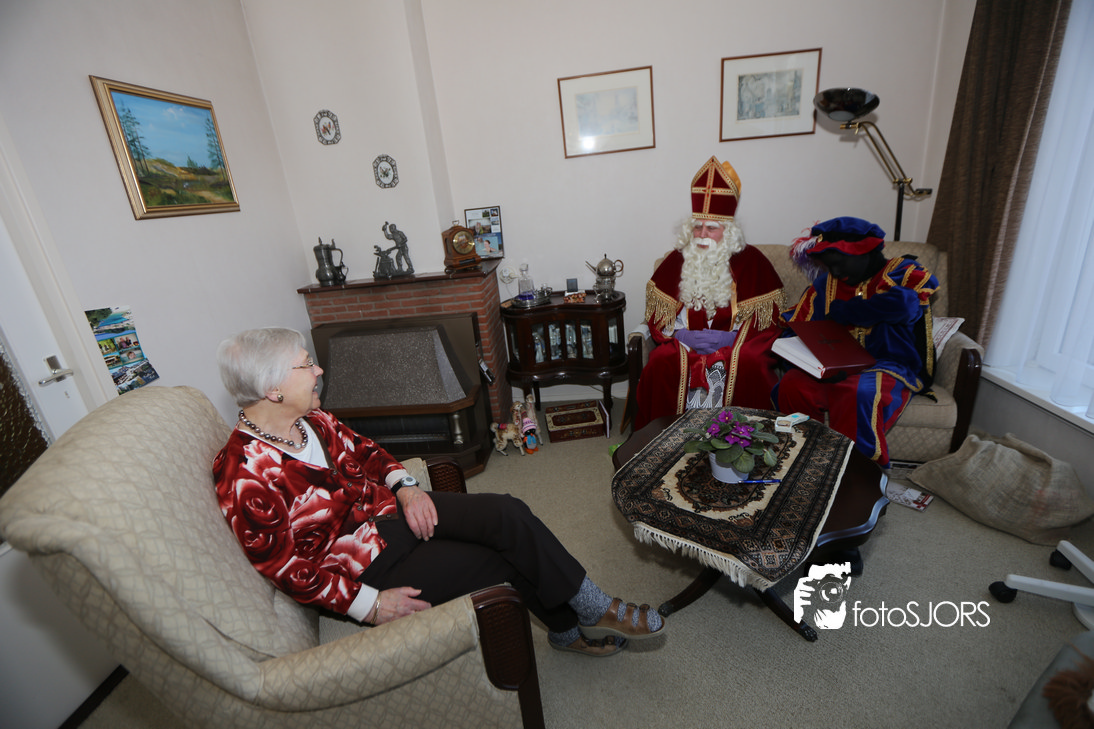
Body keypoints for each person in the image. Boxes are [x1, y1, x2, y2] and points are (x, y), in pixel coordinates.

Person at [213, 327, 665, 657]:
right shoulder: (243, 473)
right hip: (365, 566)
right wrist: (370, 606)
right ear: (273, 389)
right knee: (500, 558)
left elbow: (368, 452)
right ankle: (569, 629)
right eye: (306, 364)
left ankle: (594, 608)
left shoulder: (313, 419)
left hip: (391, 513)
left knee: (506, 513)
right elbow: (284, 567)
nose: (318, 369)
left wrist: (407, 489)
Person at [773, 216, 939, 468]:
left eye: (840, 264)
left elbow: (906, 307)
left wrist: (849, 311)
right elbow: (800, 326)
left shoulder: (902, 272)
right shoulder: (825, 286)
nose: (836, 273)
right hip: (834, 367)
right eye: (830, 266)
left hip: (888, 365)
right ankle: (799, 461)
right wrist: (811, 362)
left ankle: (856, 474)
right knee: (792, 384)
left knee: (858, 392)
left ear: (866, 253)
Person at [634, 156, 785, 430]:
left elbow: (769, 323)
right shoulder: (677, 260)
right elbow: (659, 317)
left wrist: (733, 338)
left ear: (728, 231)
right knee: (660, 361)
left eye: (711, 228)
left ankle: (748, 436)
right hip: (685, 347)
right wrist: (680, 334)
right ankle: (662, 435)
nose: (702, 234)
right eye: (697, 226)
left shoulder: (753, 262)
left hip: (735, 348)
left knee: (752, 363)